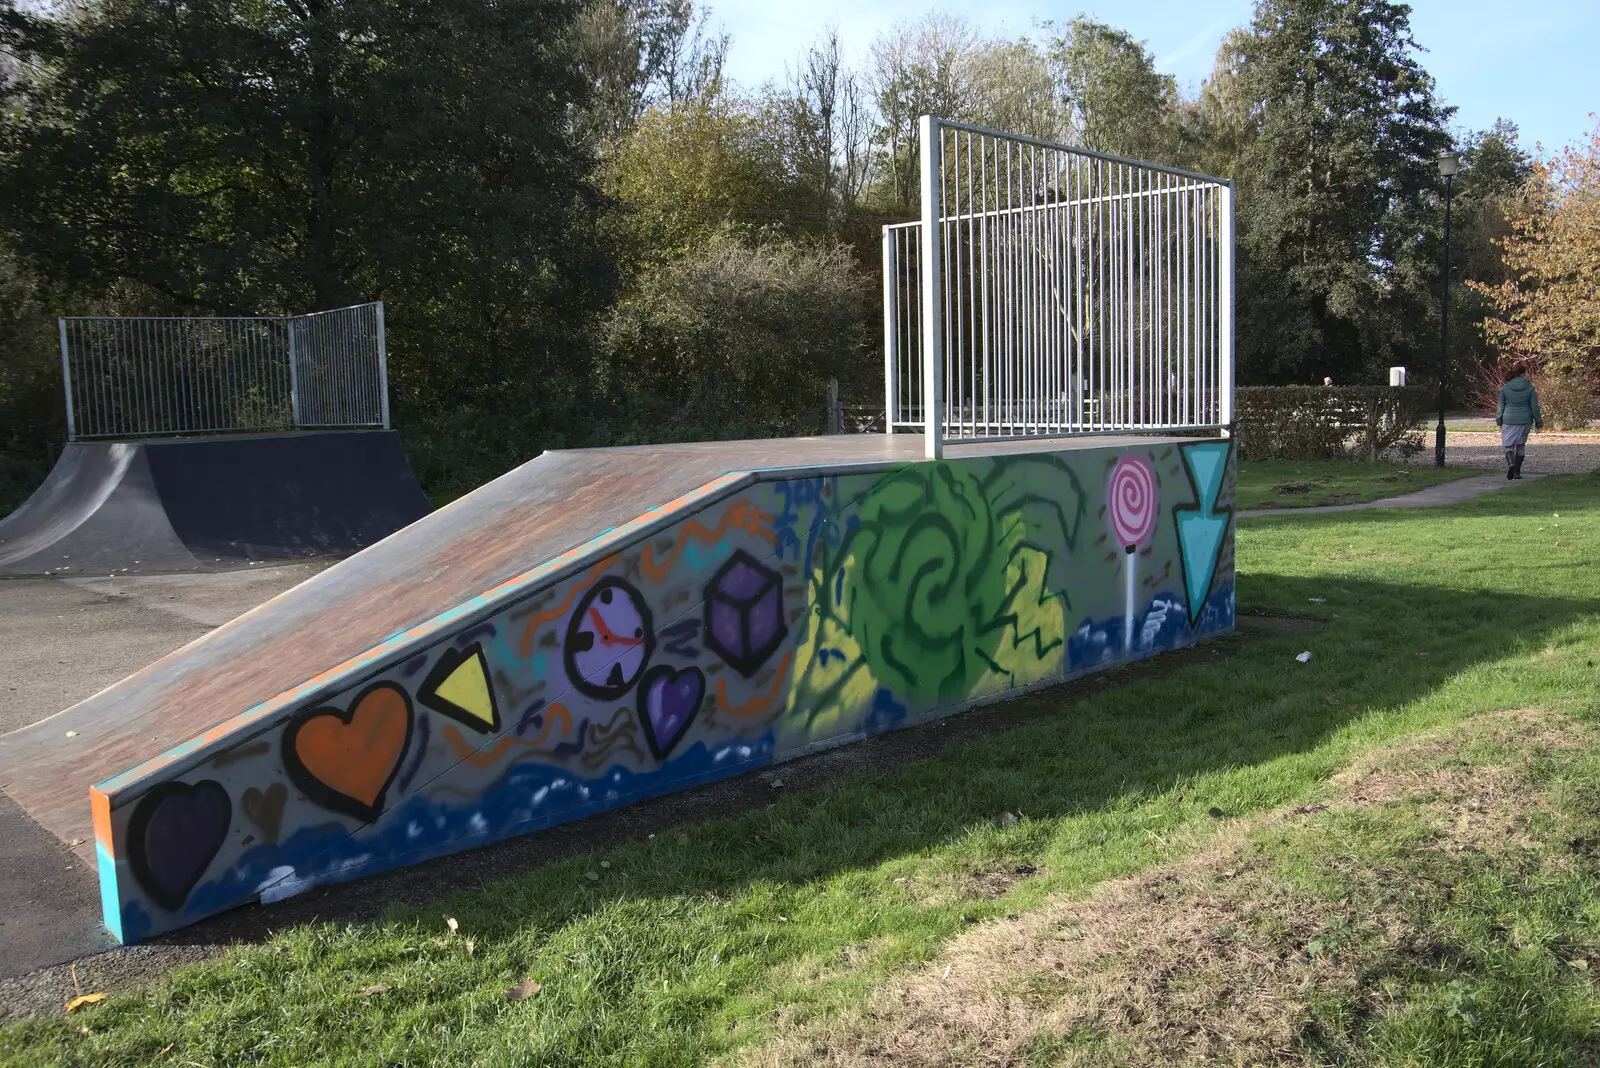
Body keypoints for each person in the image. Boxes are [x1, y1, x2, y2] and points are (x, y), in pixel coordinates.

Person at [1495, 363, 1543, 479]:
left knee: (1509, 445)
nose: (1528, 375)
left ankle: (1511, 464)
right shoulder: (1530, 388)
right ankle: (1517, 472)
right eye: (1527, 373)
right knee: (1521, 445)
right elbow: (1534, 407)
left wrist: (1499, 420)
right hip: (1525, 420)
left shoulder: (1505, 388)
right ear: (1522, 374)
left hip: (1509, 419)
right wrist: (1538, 421)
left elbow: (1500, 406)